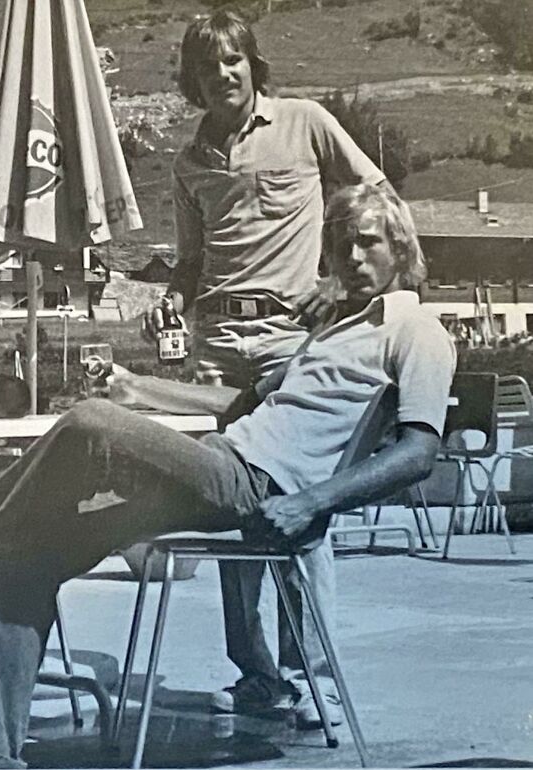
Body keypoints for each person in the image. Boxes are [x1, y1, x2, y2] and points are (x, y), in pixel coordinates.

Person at [0, 184, 455, 770]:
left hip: (263, 488)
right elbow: (237, 404)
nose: (352, 258)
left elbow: (419, 452)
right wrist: (140, 387)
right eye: (341, 244)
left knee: (90, 424)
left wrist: (311, 504)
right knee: (25, 556)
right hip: (220, 466)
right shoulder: (331, 330)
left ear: (400, 248)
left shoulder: (416, 330)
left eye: (367, 243)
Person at [143, 9, 390, 722]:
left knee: (300, 507)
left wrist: (341, 282)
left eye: (234, 61)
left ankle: (314, 679)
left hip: (292, 340)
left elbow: (374, 196)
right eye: (207, 67)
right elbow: (190, 263)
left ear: (253, 64)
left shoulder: (307, 122)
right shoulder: (189, 163)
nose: (223, 75)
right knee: (229, 506)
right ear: (191, 81)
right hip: (217, 343)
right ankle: (258, 679)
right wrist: (170, 298)